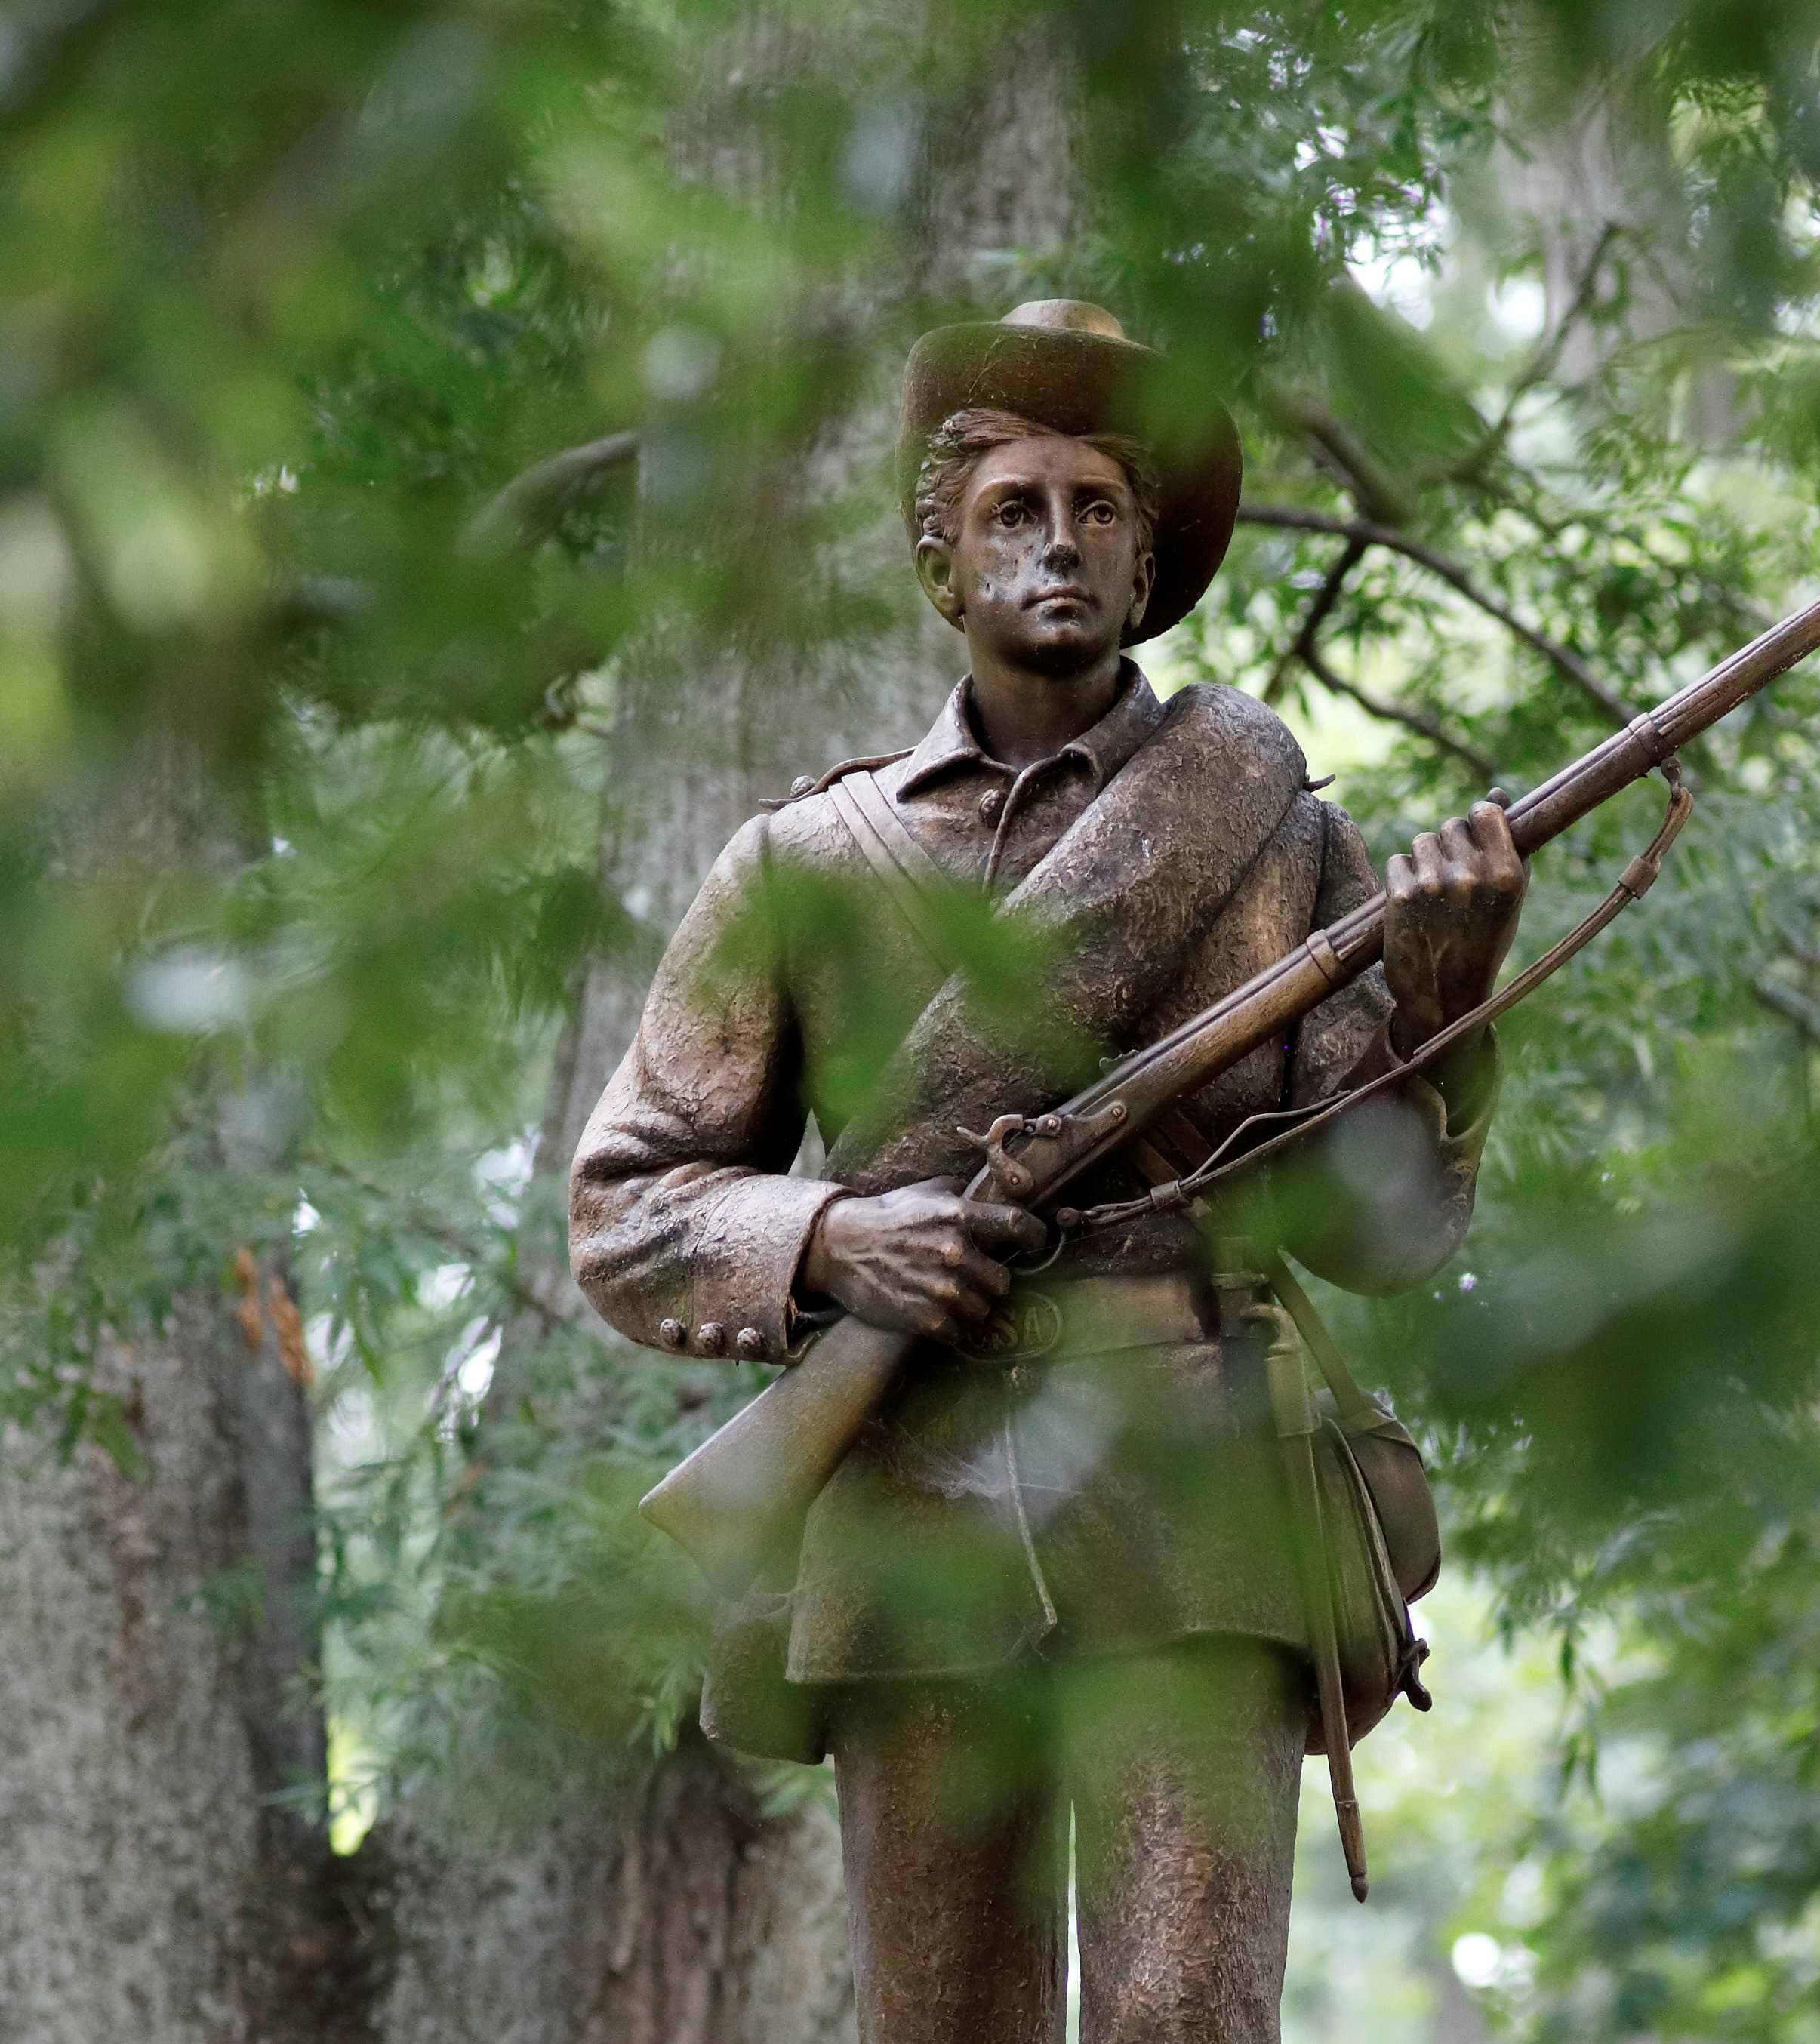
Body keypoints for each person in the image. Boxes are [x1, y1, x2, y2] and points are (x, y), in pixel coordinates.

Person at [568, 299, 1526, 2044]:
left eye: (1100, 507)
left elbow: (1380, 1227)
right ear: (942, 556)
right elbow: (630, 1204)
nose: (1059, 541)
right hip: (911, 1484)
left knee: (1184, 2018)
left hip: (1206, 1490)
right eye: (1015, 505)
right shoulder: (804, 863)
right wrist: (837, 1235)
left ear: (1151, 558)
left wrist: (1448, 1000)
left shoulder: (1282, 831)